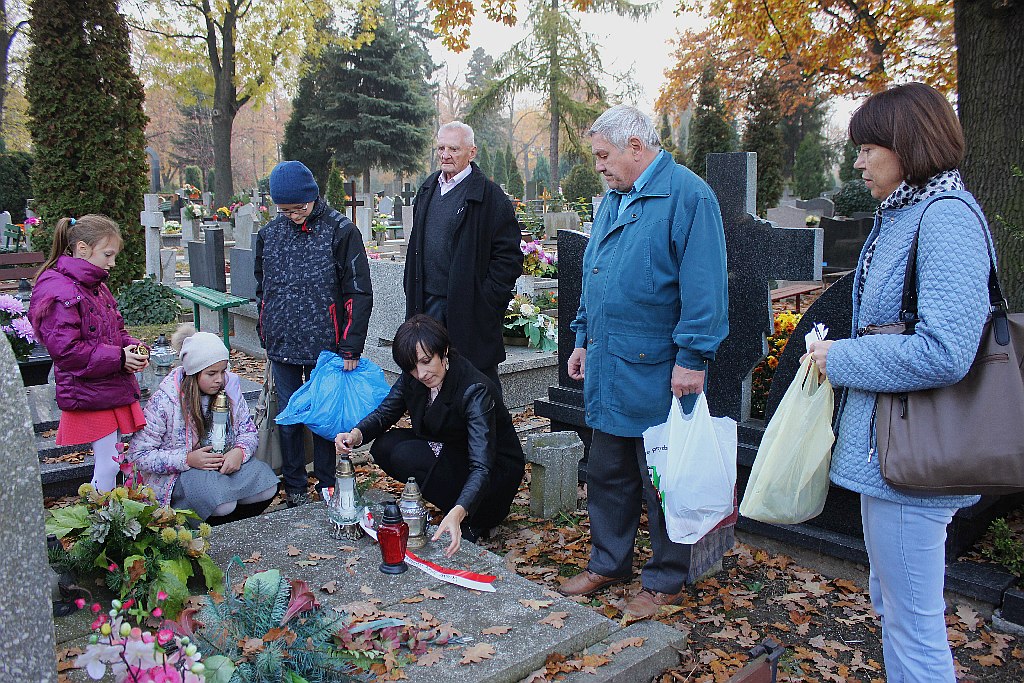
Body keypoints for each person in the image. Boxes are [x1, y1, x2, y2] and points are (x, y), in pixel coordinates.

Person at [805, 83, 991, 682]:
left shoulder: (945, 219)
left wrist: (842, 359)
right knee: (896, 608)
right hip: (888, 452)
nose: (857, 162)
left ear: (907, 144)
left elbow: (946, 350)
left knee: (913, 622)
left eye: (867, 148)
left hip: (913, 461)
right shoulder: (909, 214)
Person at [558, 105, 729, 619]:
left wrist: (693, 356)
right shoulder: (612, 200)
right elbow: (597, 274)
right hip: (610, 364)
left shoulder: (688, 195)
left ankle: (665, 580)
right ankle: (609, 562)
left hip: (661, 368)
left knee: (662, 479)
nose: (599, 167)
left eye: (604, 156)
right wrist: (583, 336)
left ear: (636, 145)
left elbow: (705, 285)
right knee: (608, 471)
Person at [335, 315, 525, 557]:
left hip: (493, 478)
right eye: (413, 367)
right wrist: (355, 435)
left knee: (407, 454)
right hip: (453, 451)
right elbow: (386, 413)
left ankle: (469, 518)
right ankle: (449, 503)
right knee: (384, 446)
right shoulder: (414, 377)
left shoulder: (474, 390)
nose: (421, 373)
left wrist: (460, 510)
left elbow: (482, 465)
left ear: (443, 352)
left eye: (426, 361)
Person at [255, 160, 373, 507]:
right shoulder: (270, 235)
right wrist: (266, 329)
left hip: (328, 345)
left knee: (323, 420)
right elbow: (264, 287)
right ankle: (293, 486)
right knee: (289, 418)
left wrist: (350, 347)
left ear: (313, 197)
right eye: (285, 210)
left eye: (299, 208)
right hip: (283, 343)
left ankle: (327, 483)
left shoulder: (340, 231)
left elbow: (358, 292)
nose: (293, 215)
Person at [29, 215, 150, 492]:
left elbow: (114, 331)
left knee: (115, 461)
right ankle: (100, 526)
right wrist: (120, 358)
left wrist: (132, 347)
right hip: (88, 389)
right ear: (82, 249)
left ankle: (110, 522)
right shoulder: (59, 289)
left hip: (107, 386)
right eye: (108, 254)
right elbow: (67, 351)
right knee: (108, 465)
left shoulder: (96, 286)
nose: (113, 262)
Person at [404, 121, 523, 389]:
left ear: (472, 152)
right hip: (427, 304)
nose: (445, 155)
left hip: (470, 307)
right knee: (431, 379)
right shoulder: (428, 189)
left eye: (454, 149)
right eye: (441, 148)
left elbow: (509, 257)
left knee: (477, 383)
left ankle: (487, 431)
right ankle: (438, 432)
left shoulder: (490, 197)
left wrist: (486, 301)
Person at [127, 326, 279, 524]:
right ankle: (202, 525)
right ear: (194, 373)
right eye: (211, 373)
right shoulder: (165, 401)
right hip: (182, 473)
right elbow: (139, 455)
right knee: (222, 504)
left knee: (266, 485)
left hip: (222, 464)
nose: (219, 379)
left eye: (223, 371)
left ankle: (233, 525)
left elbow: (247, 431)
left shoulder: (229, 391)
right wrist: (187, 459)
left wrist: (239, 452)